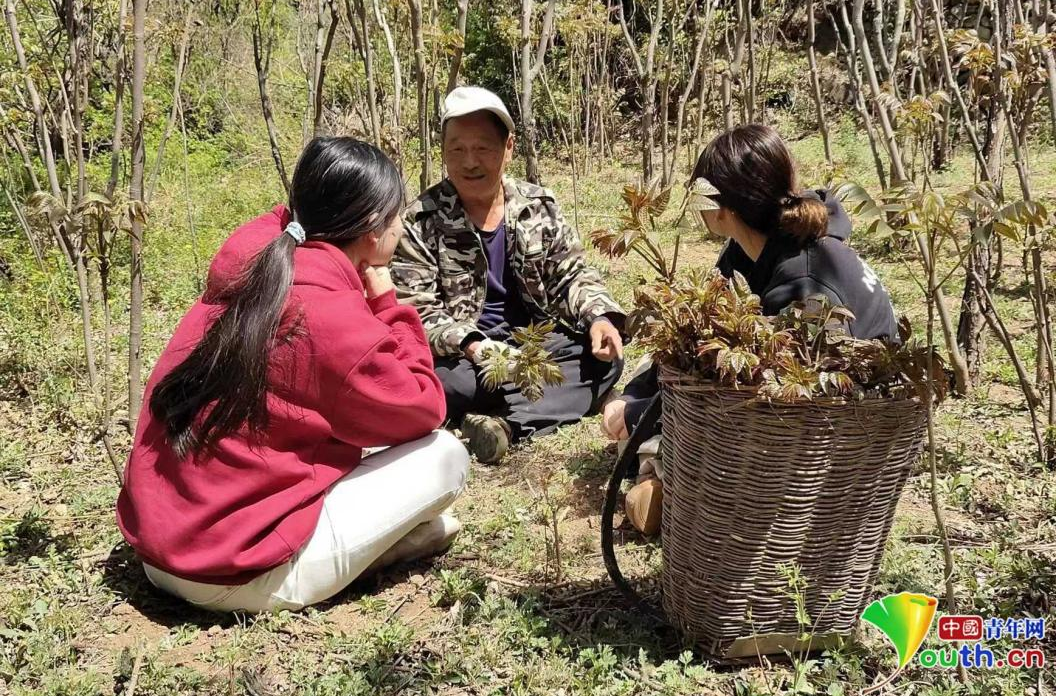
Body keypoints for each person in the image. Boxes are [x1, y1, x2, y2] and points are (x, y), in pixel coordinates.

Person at [117, 137, 470, 613]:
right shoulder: (328, 315)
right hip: (234, 573)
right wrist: (387, 301)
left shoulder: (255, 258)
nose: (402, 227)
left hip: (157, 551)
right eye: (395, 217)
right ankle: (373, 556)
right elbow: (423, 407)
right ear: (371, 229)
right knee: (445, 454)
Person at [602, 123, 899, 535]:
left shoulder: (802, 287)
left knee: (706, 438)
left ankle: (661, 477)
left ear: (725, 209)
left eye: (699, 197)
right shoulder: (751, 247)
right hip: (793, 402)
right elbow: (698, 341)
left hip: (841, 432)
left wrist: (636, 416)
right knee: (653, 392)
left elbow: (751, 400)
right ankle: (655, 465)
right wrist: (636, 399)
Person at [392, 86, 626, 464]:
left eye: (483, 148)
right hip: (465, 359)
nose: (470, 162)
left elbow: (573, 272)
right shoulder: (421, 220)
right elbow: (416, 310)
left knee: (605, 358)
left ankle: (504, 428)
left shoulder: (539, 206)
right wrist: (474, 345)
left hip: (535, 347)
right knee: (443, 383)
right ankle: (566, 398)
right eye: (457, 149)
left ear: (509, 146)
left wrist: (598, 317)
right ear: (443, 152)